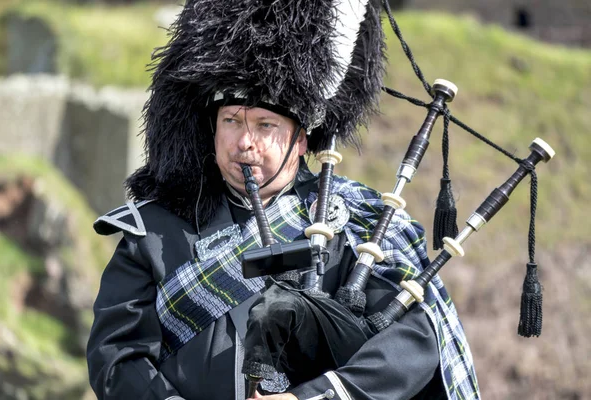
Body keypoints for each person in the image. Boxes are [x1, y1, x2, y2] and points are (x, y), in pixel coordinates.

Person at [86, 1, 480, 399]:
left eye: (265, 124)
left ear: (301, 138)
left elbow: (413, 342)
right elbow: (116, 355)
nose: (245, 142)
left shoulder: (357, 223)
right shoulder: (153, 230)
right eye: (231, 120)